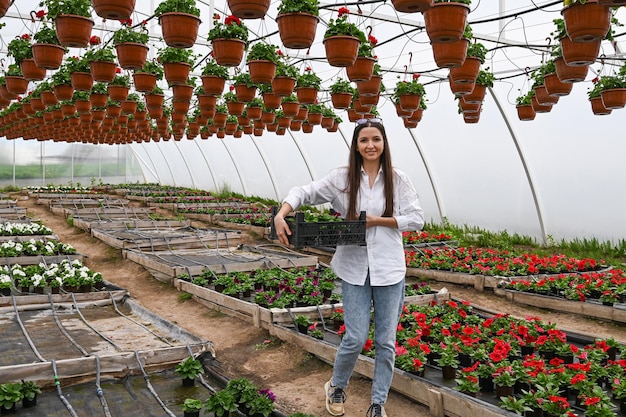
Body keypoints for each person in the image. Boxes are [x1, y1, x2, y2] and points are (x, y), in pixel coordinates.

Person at [273, 119, 424, 417]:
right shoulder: (342, 178)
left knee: (386, 341)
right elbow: (305, 191)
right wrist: (282, 214)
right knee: (355, 336)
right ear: (355, 145)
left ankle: (377, 403)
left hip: (389, 268)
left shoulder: (398, 179)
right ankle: (337, 385)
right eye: (364, 140)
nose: (370, 145)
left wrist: (378, 221)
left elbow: (416, 219)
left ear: (384, 144)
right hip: (354, 267)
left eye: (376, 139)